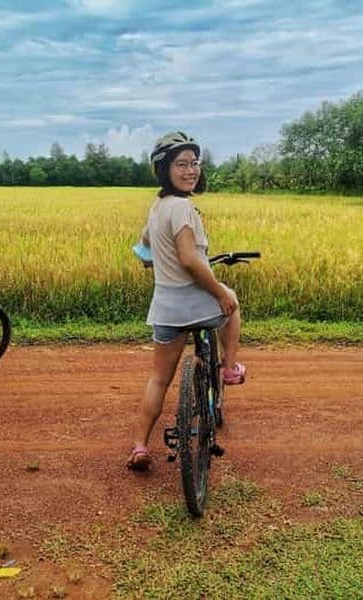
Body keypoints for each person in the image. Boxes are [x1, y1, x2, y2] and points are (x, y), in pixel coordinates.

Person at [127, 130, 246, 471]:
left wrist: (153, 262)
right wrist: (219, 292)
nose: (190, 170)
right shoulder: (182, 206)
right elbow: (191, 260)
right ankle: (229, 369)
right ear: (163, 169)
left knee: (159, 379)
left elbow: (143, 248)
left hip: (165, 306)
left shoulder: (157, 207)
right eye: (181, 164)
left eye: (194, 163)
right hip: (194, 303)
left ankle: (139, 446)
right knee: (232, 301)